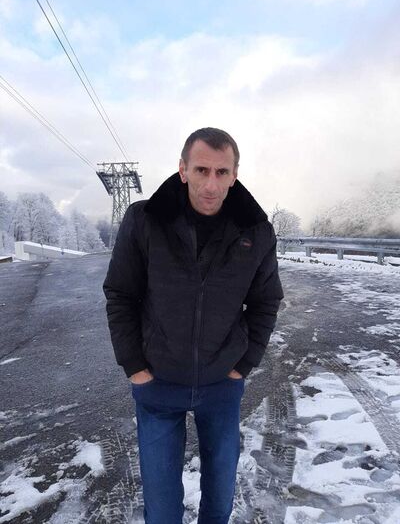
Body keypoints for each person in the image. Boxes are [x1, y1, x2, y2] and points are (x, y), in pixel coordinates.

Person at [103, 127, 284, 524]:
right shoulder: (145, 220)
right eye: (202, 170)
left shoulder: (256, 230)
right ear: (183, 169)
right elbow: (120, 293)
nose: (211, 184)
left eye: (222, 172)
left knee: (218, 503)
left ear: (234, 175)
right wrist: (135, 366)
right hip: (158, 384)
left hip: (222, 386)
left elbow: (266, 301)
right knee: (162, 510)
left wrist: (243, 365)